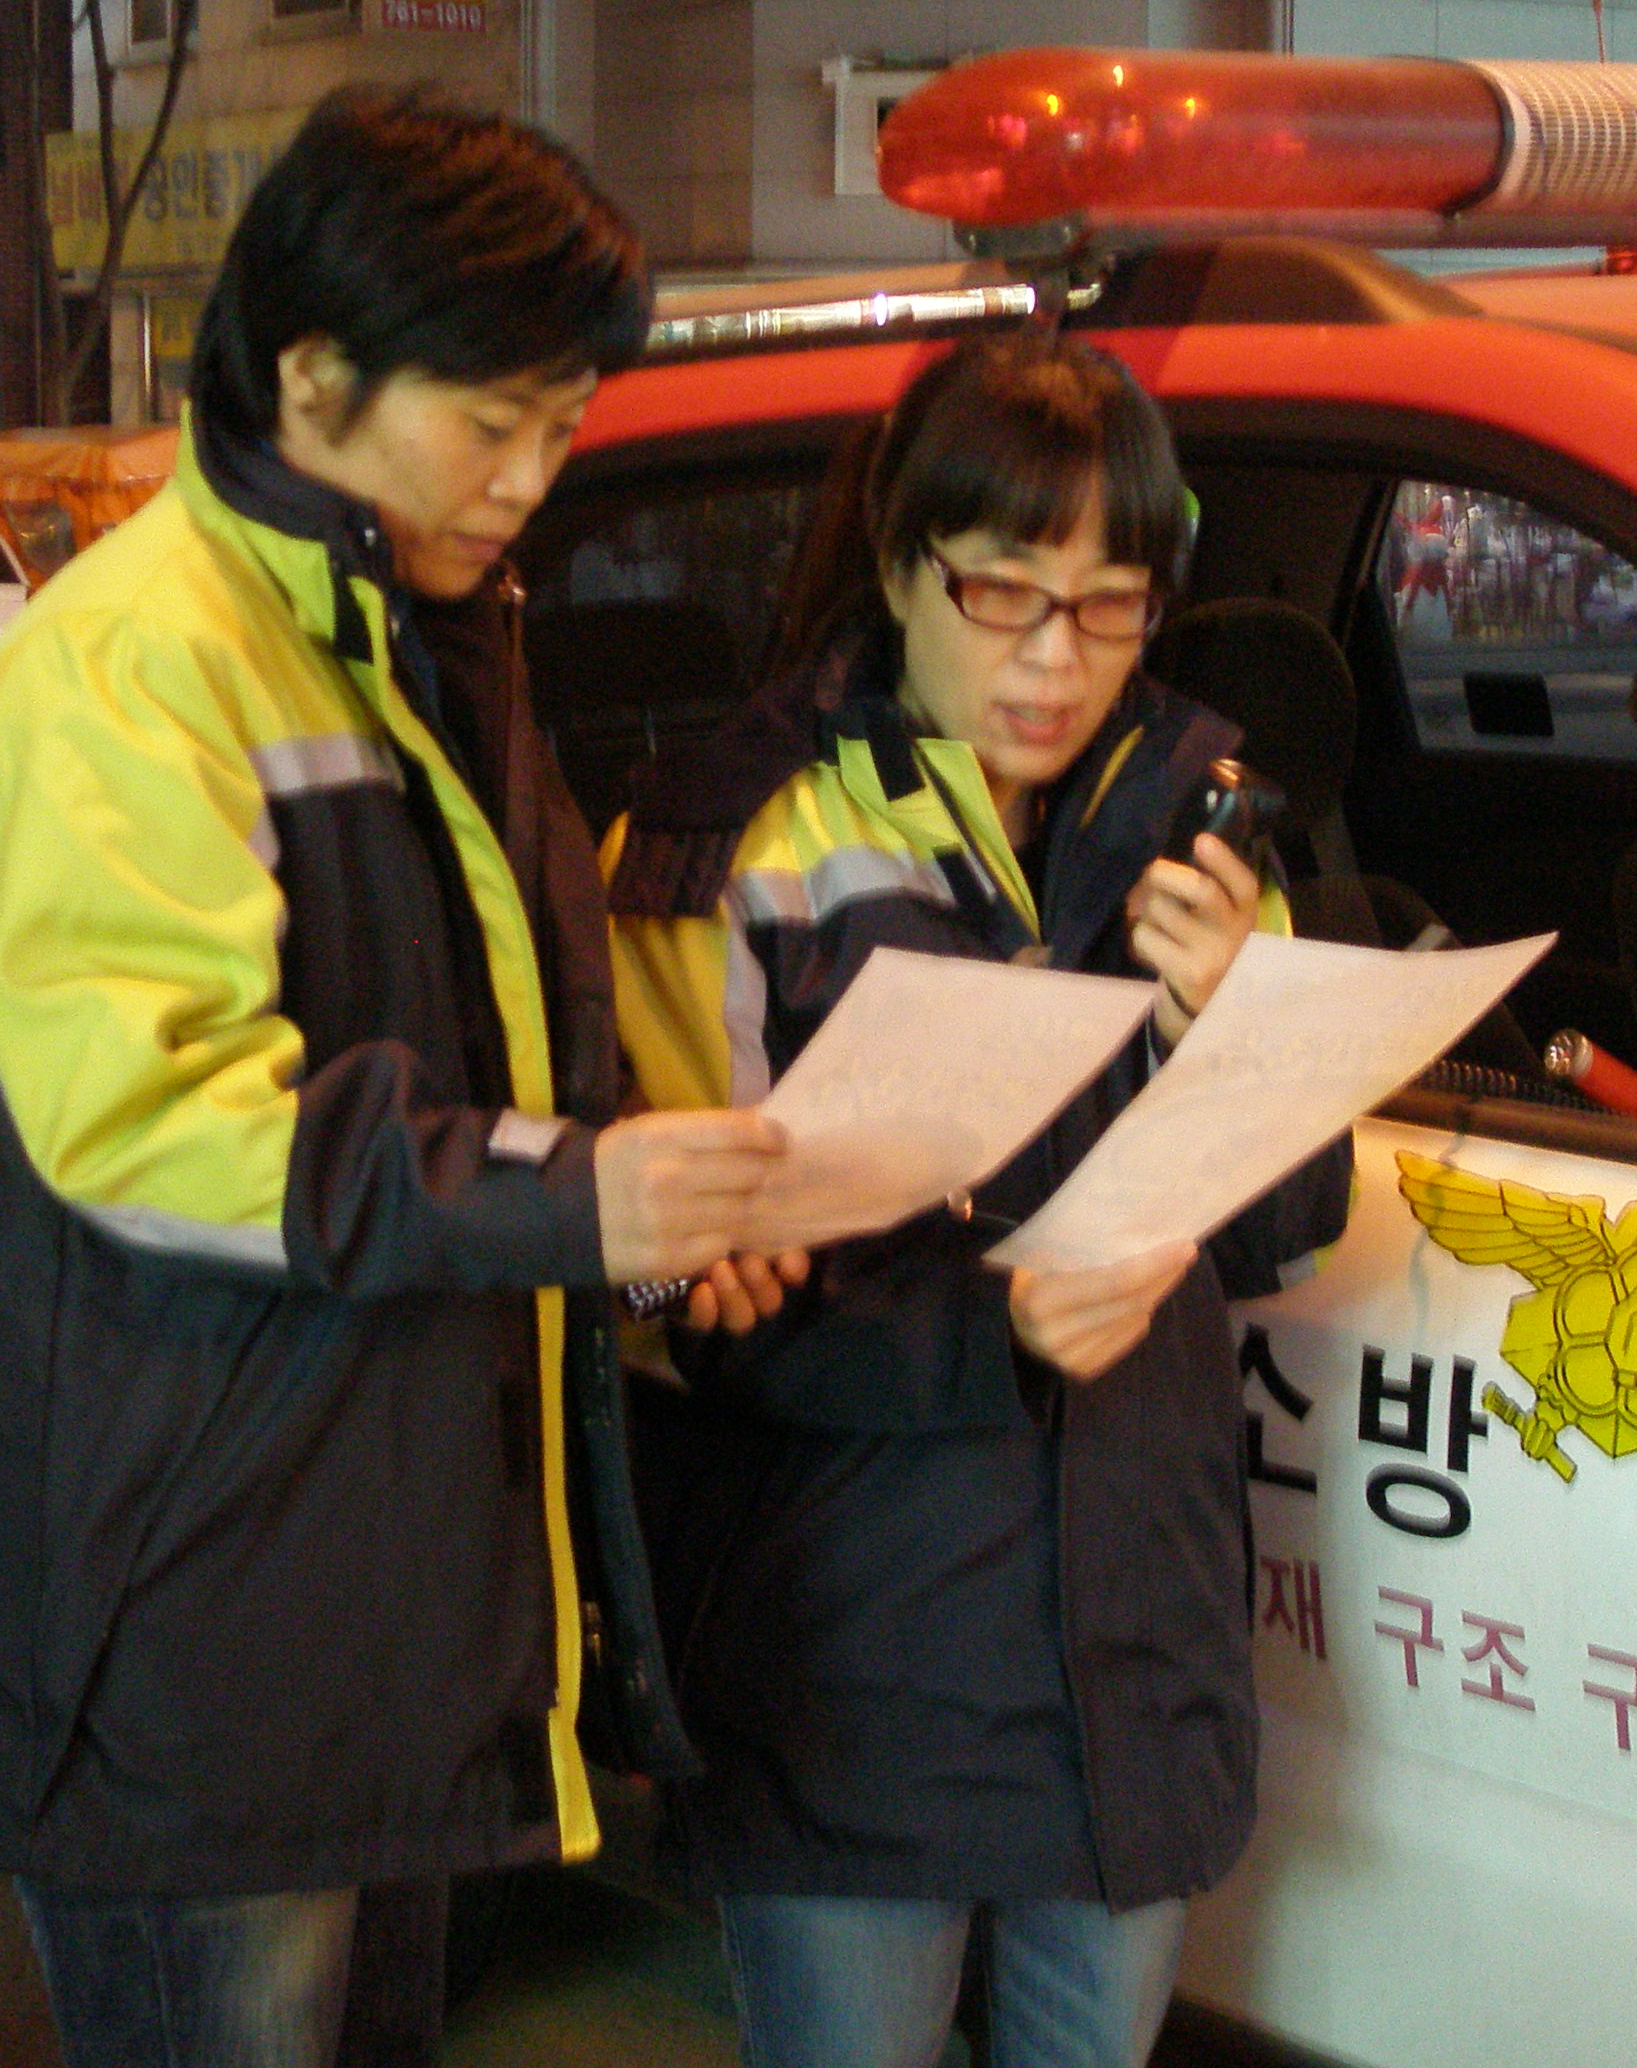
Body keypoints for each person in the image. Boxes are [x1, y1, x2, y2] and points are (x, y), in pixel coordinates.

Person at [0, 87, 790, 2068]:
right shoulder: (134, 671)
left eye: (563, 430)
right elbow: (160, 1126)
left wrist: (644, 1227)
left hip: (376, 1622)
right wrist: (580, 1199)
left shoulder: (420, 639)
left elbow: (498, 1071)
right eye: (493, 426)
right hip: (190, 1653)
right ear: (312, 374)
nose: (531, 483)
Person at [606, 333, 1356, 2068]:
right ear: (898, 567)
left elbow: (1286, 1233)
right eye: (1003, 592)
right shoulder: (735, 845)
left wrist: (1228, 1024)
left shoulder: (1201, 830)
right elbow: (653, 1301)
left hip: (1131, 1641)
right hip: (852, 1665)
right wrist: (988, 1329)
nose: (1053, 659)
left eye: (1108, 607)